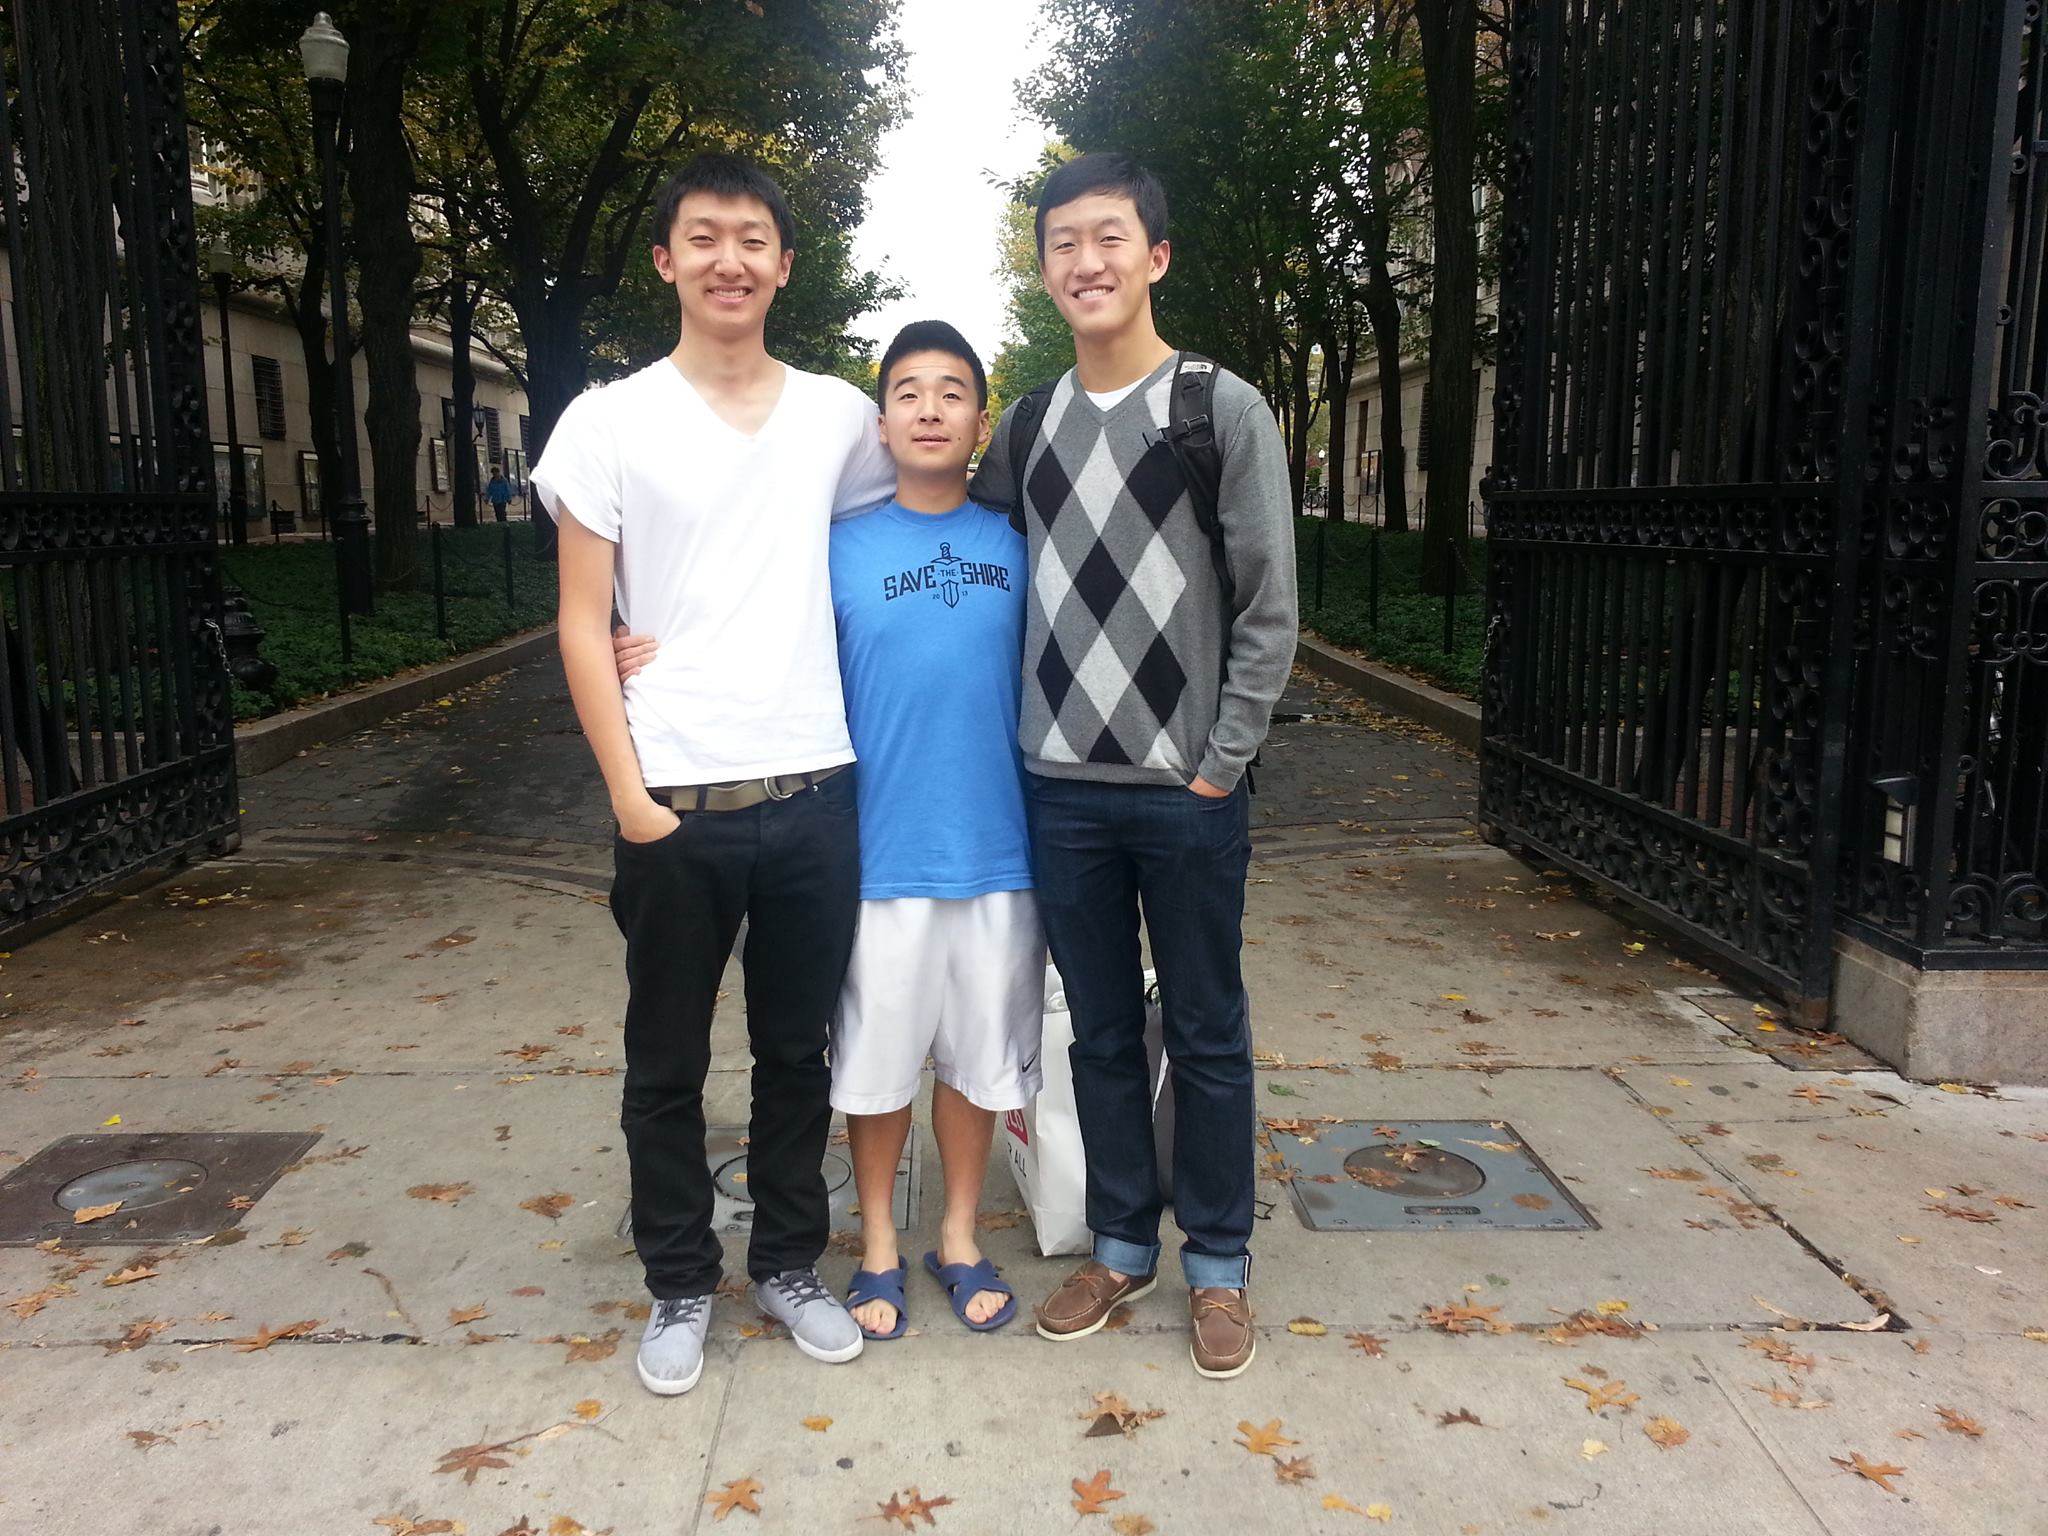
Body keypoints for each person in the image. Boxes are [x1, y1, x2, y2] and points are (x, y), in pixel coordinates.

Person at [532, 151, 894, 1399]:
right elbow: (580, 619)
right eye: (703, 237)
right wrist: (628, 798)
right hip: (672, 802)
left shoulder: (839, 417)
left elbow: (901, 524)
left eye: (751, 239)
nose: (727, 259)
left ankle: (788, 1265)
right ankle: (679, 1281)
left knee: (799, 1056)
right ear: (666, 260)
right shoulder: (606, 421)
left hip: (814, 795)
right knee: (665, 1065)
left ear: (783, 265)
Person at [614, 320, 1039, 1341]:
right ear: (878, 424)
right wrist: (635, 645)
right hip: (875, 852)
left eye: (952, 392)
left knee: (977, 1065)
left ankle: (958, 1236)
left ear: (981, 423)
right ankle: (879, 1245)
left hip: (999, 850)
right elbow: (734, 608)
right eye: (907, 392)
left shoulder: (1019, 546)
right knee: (876, 1067)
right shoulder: (831, 548)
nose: (929, 409)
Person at [967, 152, 1298, 1380]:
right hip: (1060, 791)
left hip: (1186, 793)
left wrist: (1221, 761)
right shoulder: (1027, 427)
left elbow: (1269, 607)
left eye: (1107, 237)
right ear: (1044, 269)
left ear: (1153, 256)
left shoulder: (1221, 410)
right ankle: (1118, 1244)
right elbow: (972, 567)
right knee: (1099, 1033)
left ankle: (1216, 1261)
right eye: (1062, 242)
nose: (1085, 261)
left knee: (1205, 1031)